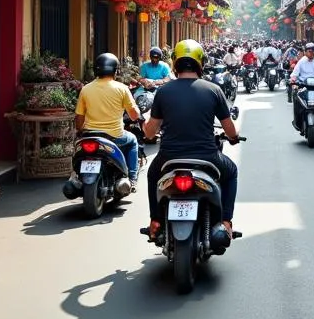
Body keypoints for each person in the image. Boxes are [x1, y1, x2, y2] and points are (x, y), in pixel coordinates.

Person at [142, 39, 241, 241]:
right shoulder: (213, 90)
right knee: (231, 173)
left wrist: (145, 127)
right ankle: (225, 221)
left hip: (169, 157)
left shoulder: (163, 92)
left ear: (175, 62)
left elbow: (150, 132)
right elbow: (229, 128)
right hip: (207, 156)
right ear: (201, 62)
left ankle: (155, 221)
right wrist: (234, 138)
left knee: (153, 175)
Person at [74, 53, 141, 189]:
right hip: (115, 136)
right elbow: (134, 116)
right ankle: (132, 178)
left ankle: (75, 176)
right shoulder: (122, 88)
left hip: (89, 135)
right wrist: (138, 115)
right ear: (115, 71)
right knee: (133, 140)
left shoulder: (85, 89)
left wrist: (80, 130)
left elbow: (79, 118)